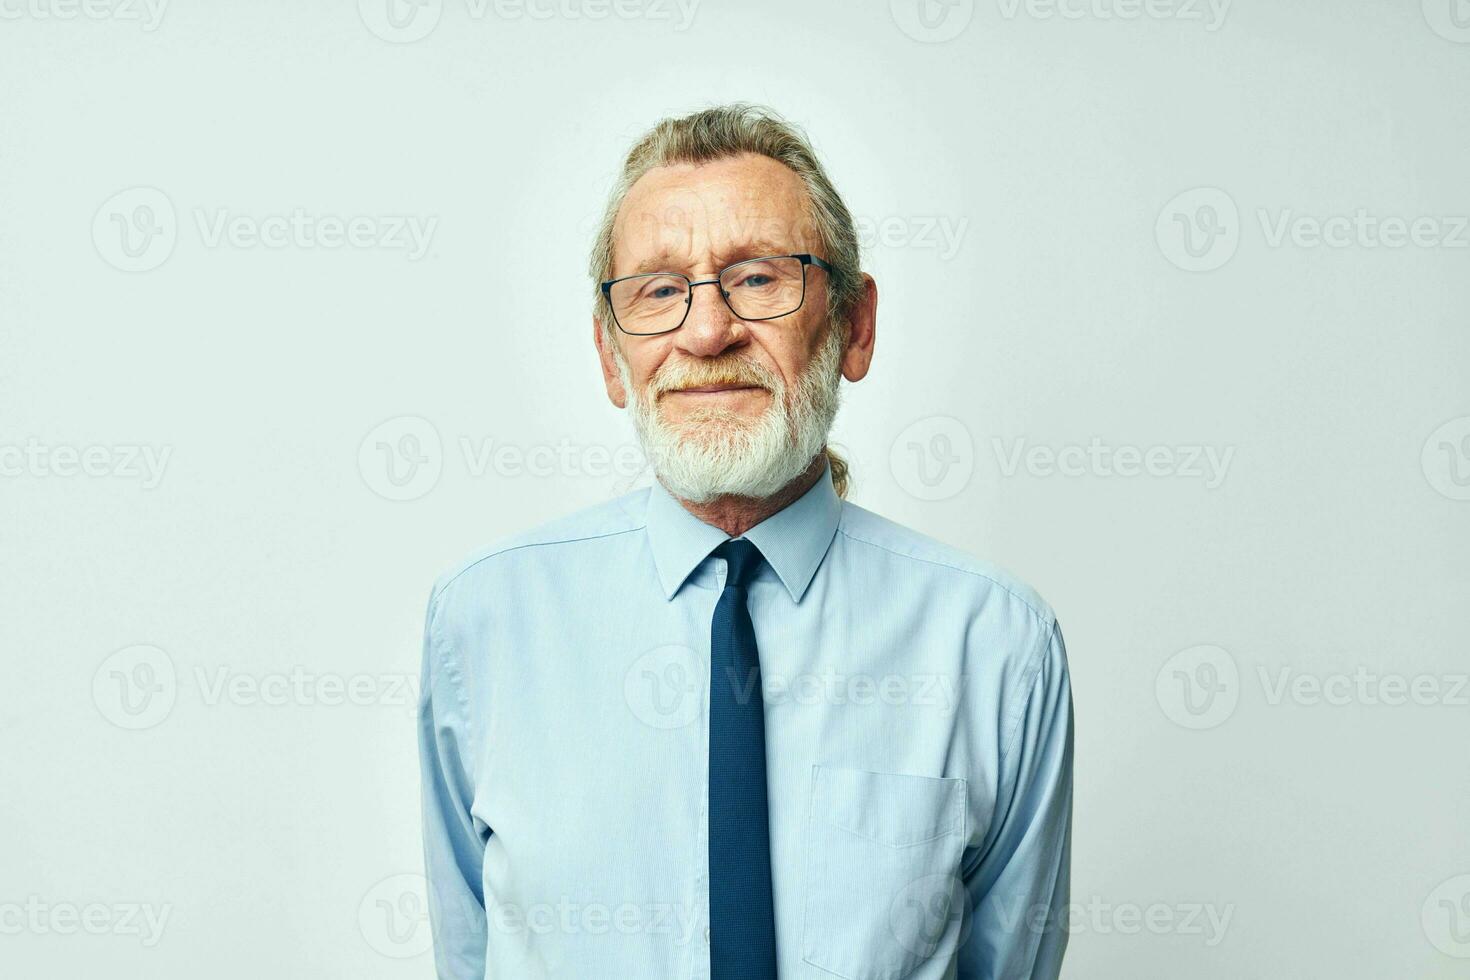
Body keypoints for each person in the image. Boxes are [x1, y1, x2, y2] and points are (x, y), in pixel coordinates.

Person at [418, 103, 1074, 979]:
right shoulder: (484, 624)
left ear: (855, 326)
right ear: (612, 357)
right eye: (657, 290)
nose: (705, 331)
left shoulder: (995, 644)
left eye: (759, 279)